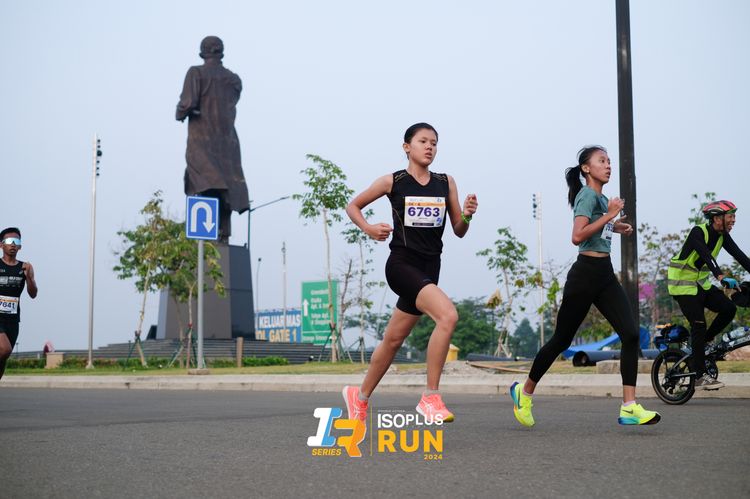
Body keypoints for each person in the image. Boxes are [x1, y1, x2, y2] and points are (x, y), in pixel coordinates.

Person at [510, 146, 660, 427]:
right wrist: (610, 216)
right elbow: (577, 236)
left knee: (630, 334)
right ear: (586, 168)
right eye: (602, 161)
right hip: (585, 275)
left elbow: (596, 229)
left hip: (604, 274)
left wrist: (615, 226)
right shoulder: (587, 195)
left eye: (609, 161)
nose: (608, 165)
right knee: (561, 340)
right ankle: (524, 392)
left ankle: (629, 406)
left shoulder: (601, 199)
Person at [342, 123, 478, 423]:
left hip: (430, 268)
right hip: (402, 265)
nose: (429, 147)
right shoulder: (393, 181)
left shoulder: (445, 183)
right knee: (448, 316)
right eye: (423, 141)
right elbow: (353, 206)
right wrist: (368, 228)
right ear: (407, 147)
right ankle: (430, 397)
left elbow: (458, 230)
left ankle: (359, 397)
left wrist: (467, 215)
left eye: (434, 143)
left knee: (393, 340)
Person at [668, 200, 750, 389]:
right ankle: (699, 376)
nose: (734, 220)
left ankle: (704, 342)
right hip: (683, 285)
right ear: (717, 218)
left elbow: (740, 256)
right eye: (730, 216)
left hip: (700, 285)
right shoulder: (698, 232)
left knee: (729, 308)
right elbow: (707, 256)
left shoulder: (722, 237)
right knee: (698, 324)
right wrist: (720, 276)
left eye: (734, 216)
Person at [176, 36, 250, 242]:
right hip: (227, 145)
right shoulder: (233, 80)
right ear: (221, 51)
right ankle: (223, 235)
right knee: (224, 188)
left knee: (205, 185)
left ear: (203, 51)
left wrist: (180, 112)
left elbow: (187, 103)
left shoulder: (196, 73)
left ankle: (208, 238)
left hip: (202, 141)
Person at [0, 228, 38, 380]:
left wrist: (29, 278)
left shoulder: (25, 267)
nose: (13, 245)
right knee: (5, 349)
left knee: (4, 357)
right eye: (9, 241)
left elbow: (33, 294)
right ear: (1, 245)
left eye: (16, 241)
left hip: (13, 319)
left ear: (20, 246)